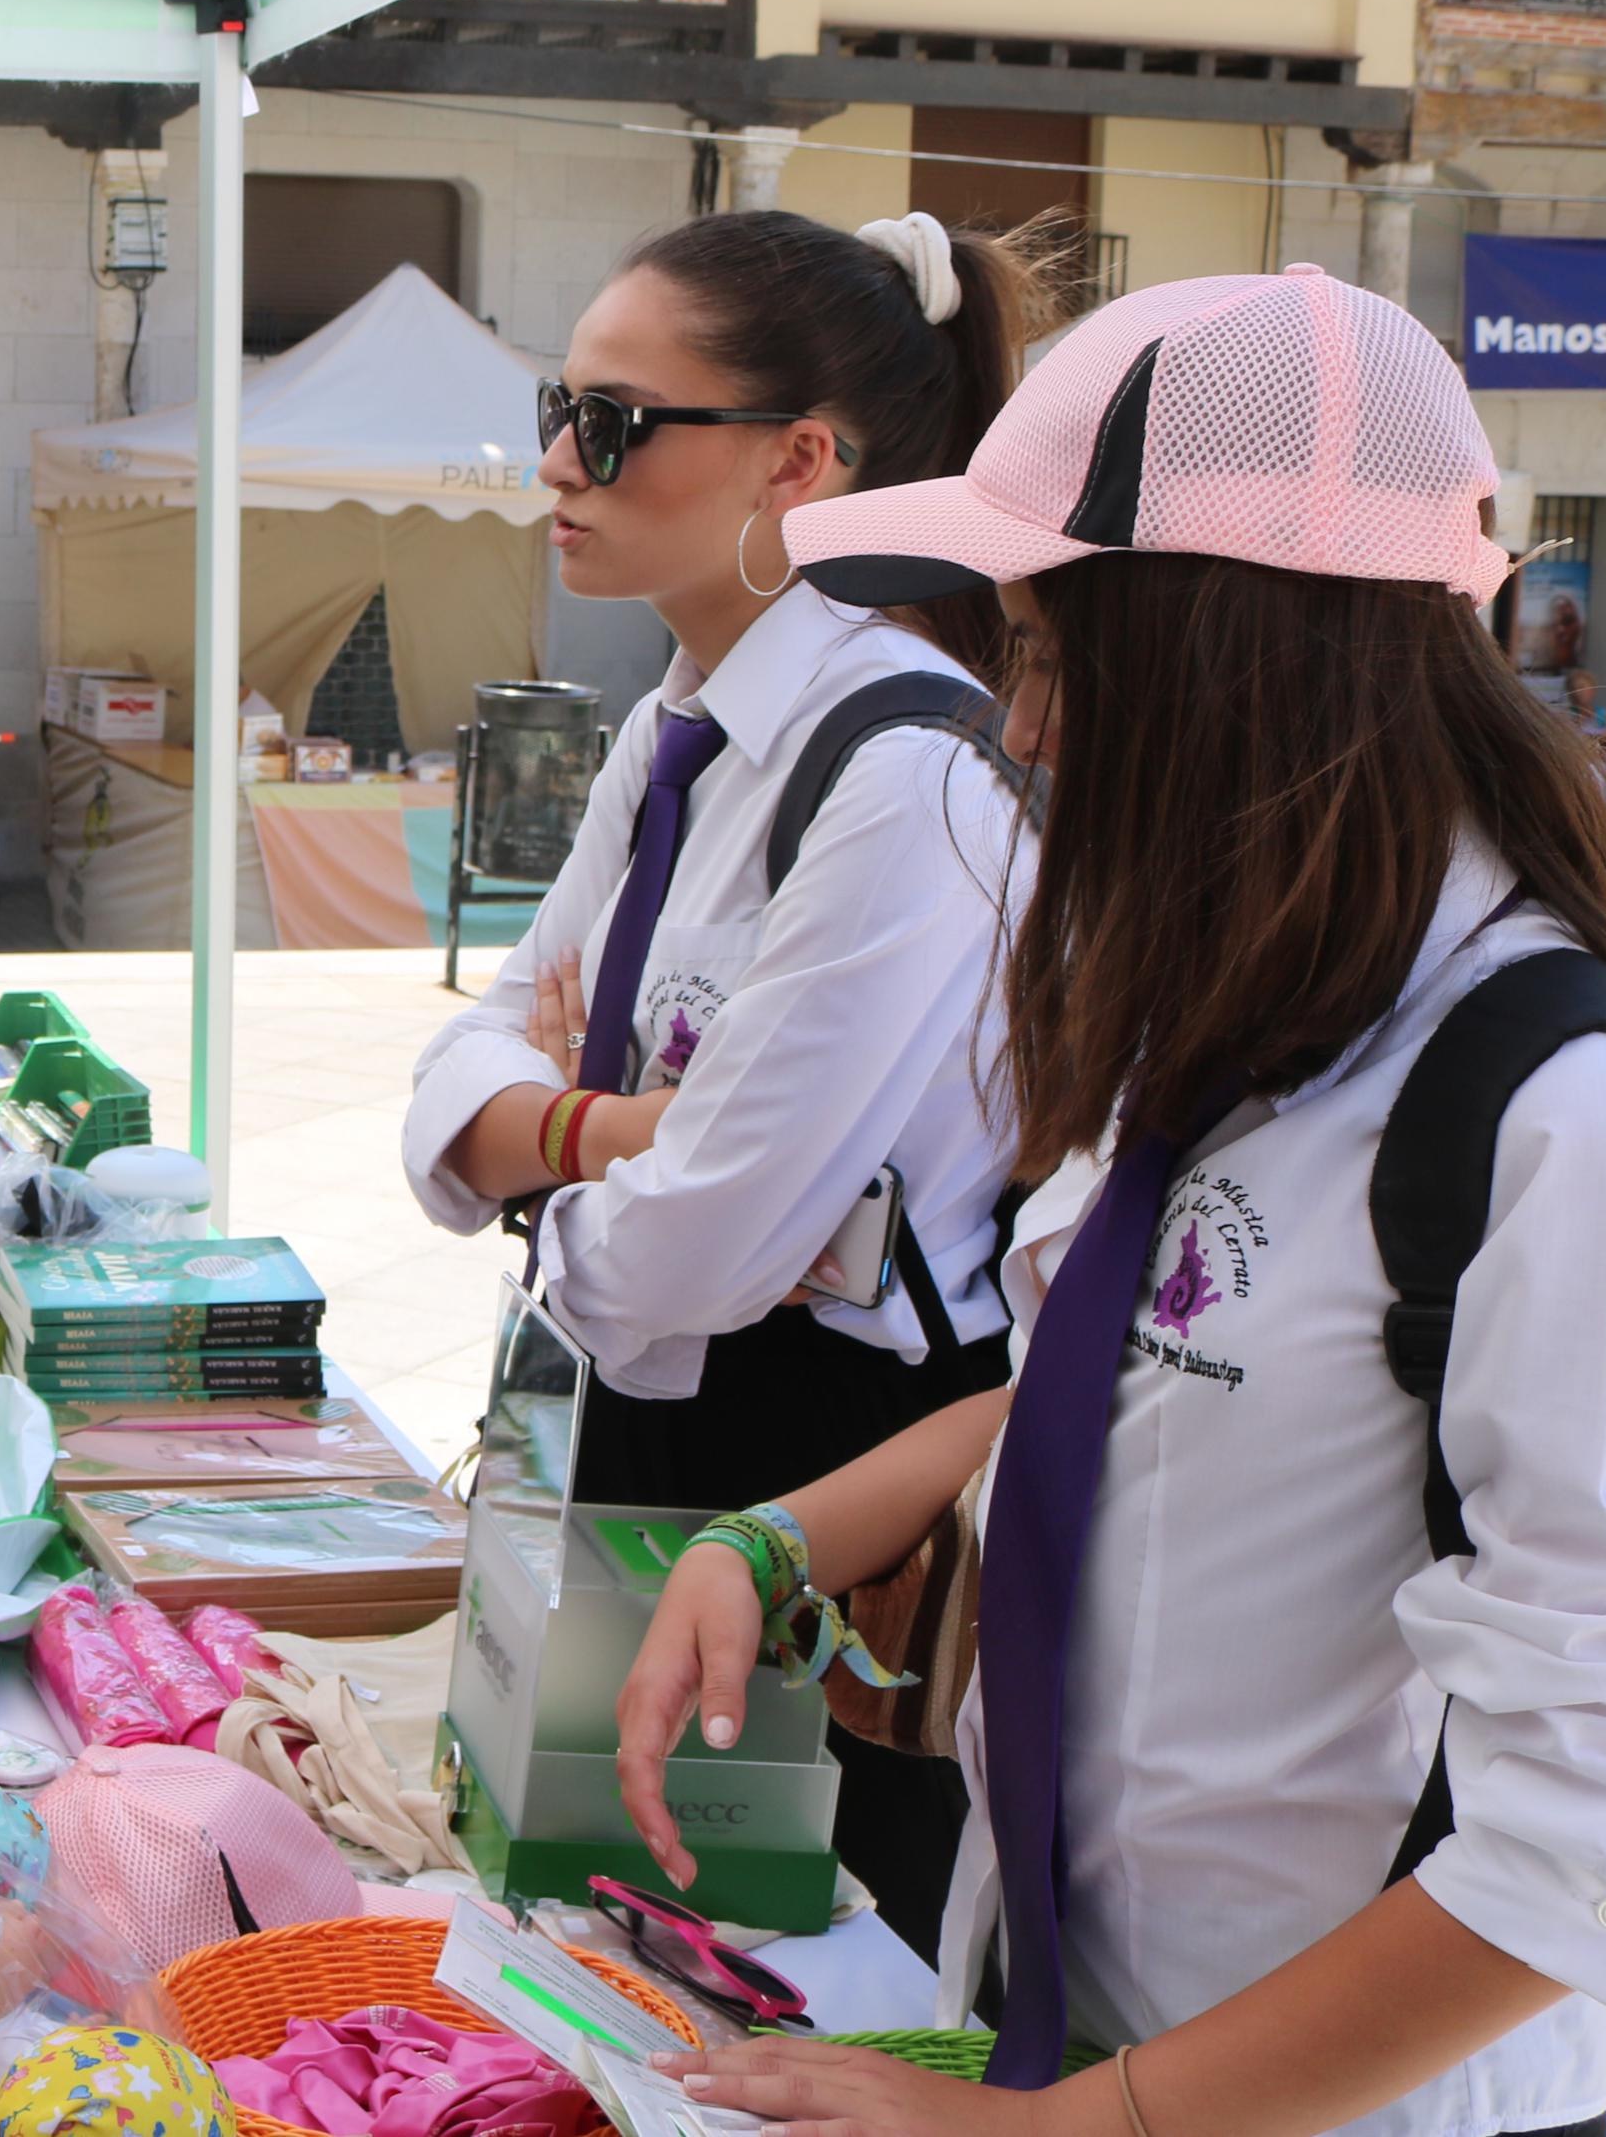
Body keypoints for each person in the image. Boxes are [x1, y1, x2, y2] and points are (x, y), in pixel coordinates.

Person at [615, 267, 1606, 2137]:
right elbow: (1135, 1376)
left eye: (1052, 660)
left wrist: (1064, 2128)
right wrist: (773, 1537)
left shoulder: (1570, 1127)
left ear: (1226, 663)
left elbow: (1583, 1834)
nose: (1027, 731)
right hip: (1075, 2040)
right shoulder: (1245, 1014)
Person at [394, 209, 1045, 1955]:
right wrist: (596, 1134)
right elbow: (449, 1088)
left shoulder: (903, 773)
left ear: (796, 461)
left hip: (832, 1488)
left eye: (610, 421)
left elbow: (688, 1250)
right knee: (624, 1949)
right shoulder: (676, 724)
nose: (554, 460)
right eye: (559, 406)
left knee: (787, 1968)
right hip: (651, 1431)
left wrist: (534, 1157)